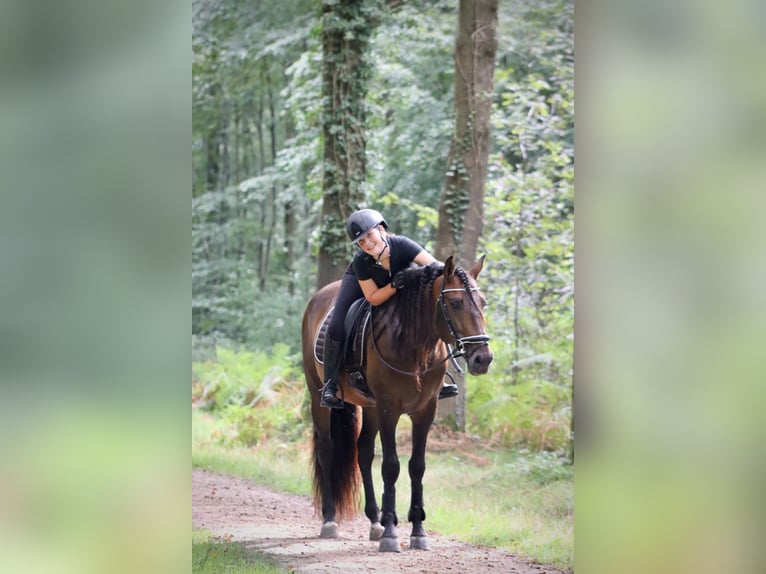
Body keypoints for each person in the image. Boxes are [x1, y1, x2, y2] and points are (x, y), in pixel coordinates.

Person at [320, 208, 459, 408]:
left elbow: (435, 266)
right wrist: (394, 285)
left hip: (398, 283)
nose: (367, 243)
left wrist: (414, 275)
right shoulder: (361, 260)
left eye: (369, 236)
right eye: (361, 241)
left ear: (382, 229)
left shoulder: (402, 245)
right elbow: (374, 298)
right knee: (337, 324)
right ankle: (330, 384)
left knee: (428, 310)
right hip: (364, 283)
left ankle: (439, 377)